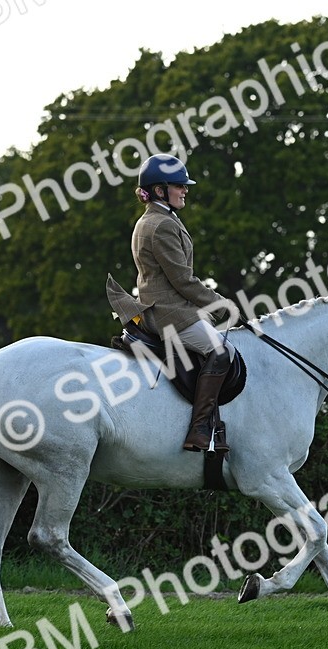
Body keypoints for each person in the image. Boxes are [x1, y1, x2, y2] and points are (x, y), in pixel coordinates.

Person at [106, 153, 238, 453]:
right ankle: (200, 428)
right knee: (221, 351)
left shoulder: (161, 218)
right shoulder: (160, 225)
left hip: (171, 306)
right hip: (168, 314)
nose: (185, 190)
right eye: (179, 186)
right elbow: (183, 281)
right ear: (159, 190)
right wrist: (222, 304)